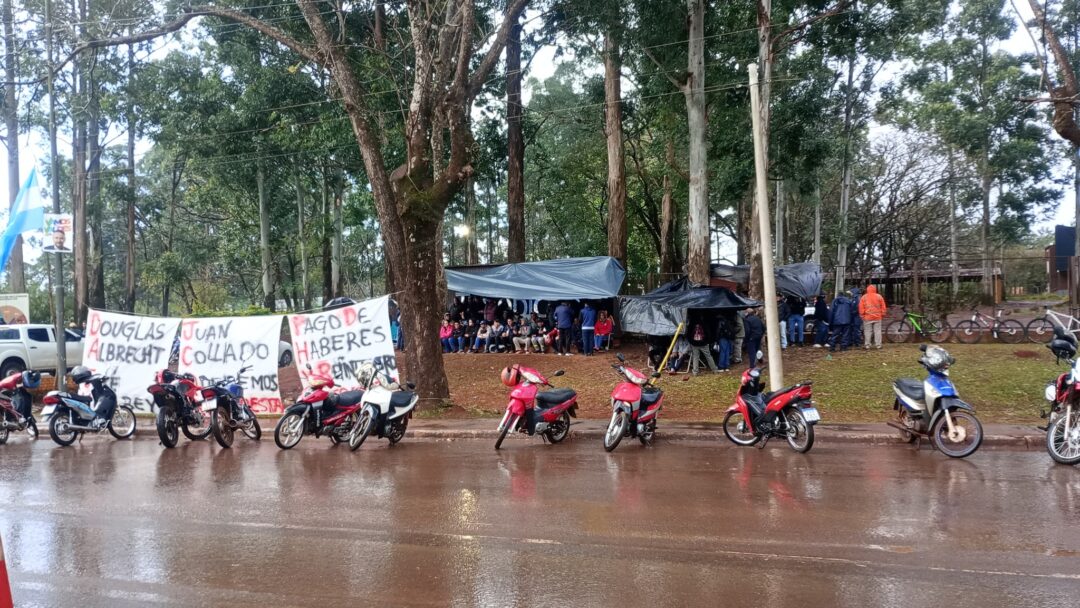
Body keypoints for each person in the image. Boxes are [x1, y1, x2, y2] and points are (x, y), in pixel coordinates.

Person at [859, 284, 887, 349]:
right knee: (877, 331)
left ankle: (867, 345)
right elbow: (883, 306)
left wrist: (862, 315)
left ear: (867, 290)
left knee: (867, 331)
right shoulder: (879, 296)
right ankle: (878, 345)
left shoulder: (864, 297)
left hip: (867, 317)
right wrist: (883, 314)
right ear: (875, 289)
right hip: (877, 317)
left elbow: (861, 307)